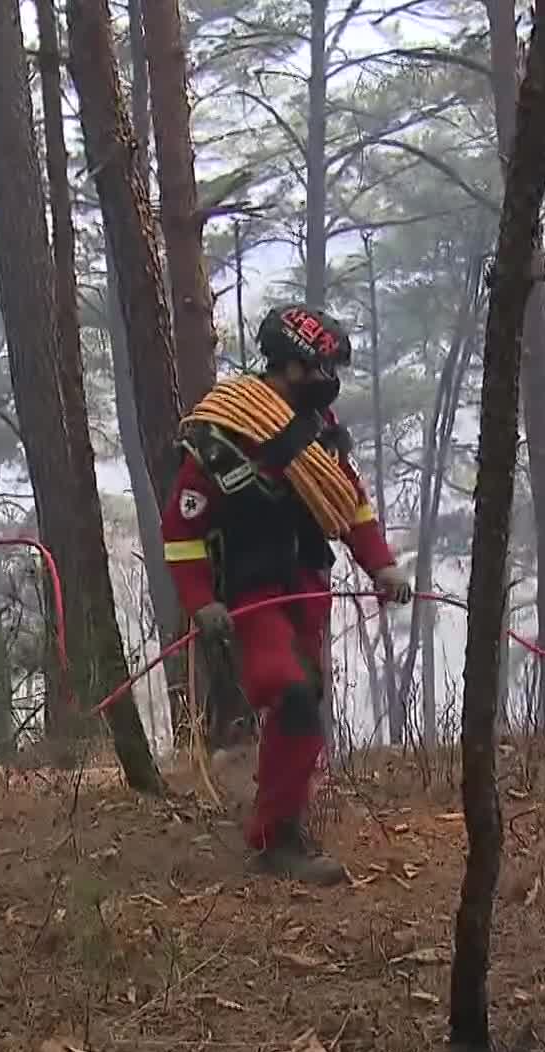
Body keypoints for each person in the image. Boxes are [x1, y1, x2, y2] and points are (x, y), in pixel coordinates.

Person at [160, 304, 413, 885]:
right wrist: (201, 601)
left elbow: (349, 506)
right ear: (292, 366)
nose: (329, 380)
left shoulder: (321, 433)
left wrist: (382, 567)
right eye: (320, 367)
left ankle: (282, 821)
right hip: (252, 595)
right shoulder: (222, 432)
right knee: (293, 695)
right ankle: (277, 841)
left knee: (305, 706)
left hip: (307, 588)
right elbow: (181, 528)